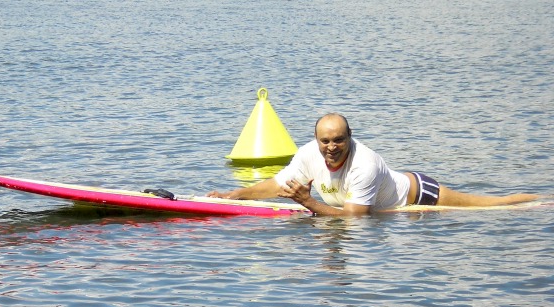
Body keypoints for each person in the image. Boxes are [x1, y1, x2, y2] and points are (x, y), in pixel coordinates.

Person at [207, 113, 540, 216]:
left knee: (491, 205)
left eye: (339, 140)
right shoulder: (309, 152)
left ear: (350, 137)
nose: (331, 147)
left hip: (418, 193)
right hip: (379, 196)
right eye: (325, 141)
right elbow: (277, 184)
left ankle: (537, 201)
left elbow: (355, 220)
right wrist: (234, 195)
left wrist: (308, 203)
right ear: (316, 140)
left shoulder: (363, 163)